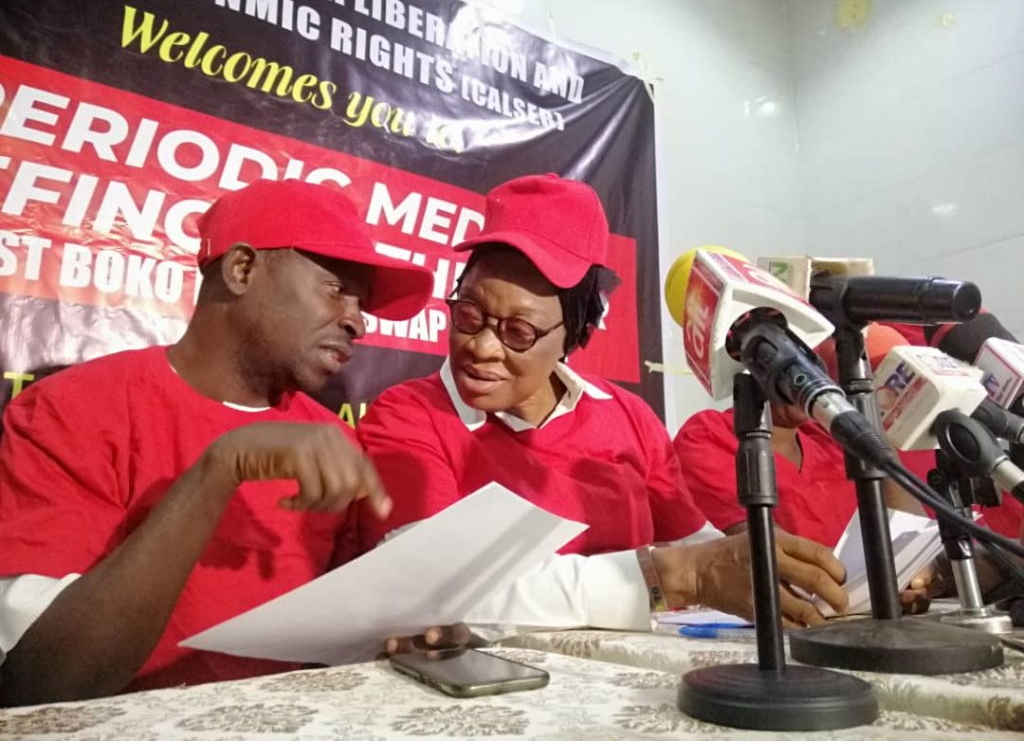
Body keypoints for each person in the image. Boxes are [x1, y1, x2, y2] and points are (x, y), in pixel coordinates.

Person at [0, 179, 440, 706]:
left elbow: (336, 644)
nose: (357, 321)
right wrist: (220, 469)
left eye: (361, 303)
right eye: (335, 288)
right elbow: (41, 680)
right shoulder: (70, 410)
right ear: (242, 270)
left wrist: (408, 637)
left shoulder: (333, 442)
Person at [357, 173, 849, 639]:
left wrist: (794, 577)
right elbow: (424, 586)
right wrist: (673, 577)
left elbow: (699, 548)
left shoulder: (629, 416)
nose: (482, 347)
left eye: (519, 332)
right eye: (468, 315)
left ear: (575, 334)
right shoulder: (408, 417)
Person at [675, 324, 937, 610]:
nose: (812, 379)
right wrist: (877, 573)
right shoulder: (710, 434)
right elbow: (766, 554)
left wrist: (915, 572)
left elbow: (911, 531)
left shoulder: (830, 437)